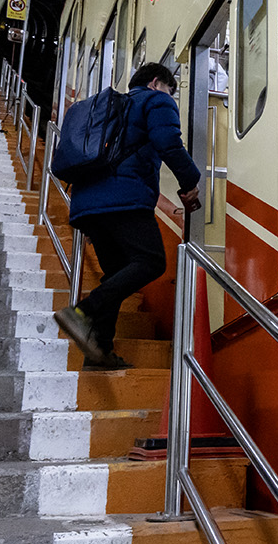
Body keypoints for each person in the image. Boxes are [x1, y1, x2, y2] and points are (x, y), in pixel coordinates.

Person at [56, 62, 201, 369]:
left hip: (87, 206)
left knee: (117, 274)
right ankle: (82, 311)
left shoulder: (113, 108)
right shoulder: (155, 100)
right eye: (170, 90)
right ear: (156, 82)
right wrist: (190, 183)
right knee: (151, 261)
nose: (170, 96)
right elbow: (169, 144)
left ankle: (99, 352)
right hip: (124, 200)